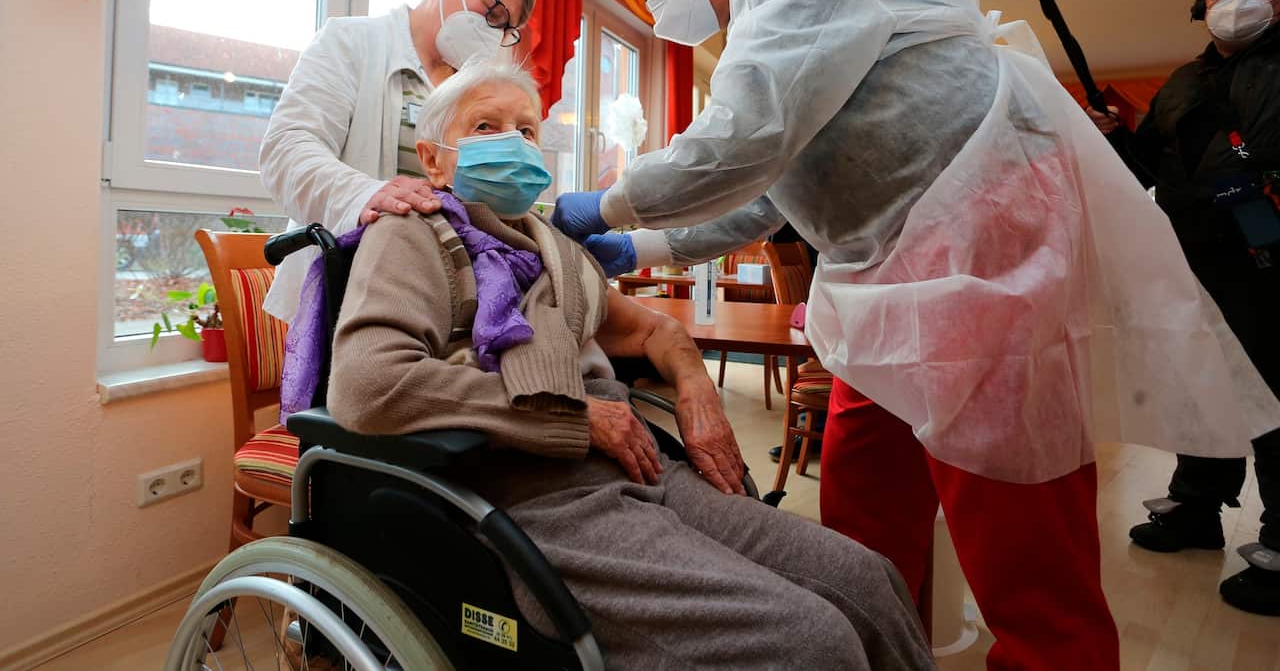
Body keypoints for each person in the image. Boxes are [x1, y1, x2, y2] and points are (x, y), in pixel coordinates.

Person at [551, 0, 1280, 669]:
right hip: (891, 289)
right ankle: (884, 649)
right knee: (863, 513)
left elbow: (747, 133)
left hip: (975, 253)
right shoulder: (776, 27)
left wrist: (610, 201)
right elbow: (770, 189)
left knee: (1019, 536)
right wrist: (640, 243)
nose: (662, 7)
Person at [323, 60, 936, 670]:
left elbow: (656, 331)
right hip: (535, 494)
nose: (514, 142)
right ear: (433, 158)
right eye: (486, 127)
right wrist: (578, 416)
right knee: (810, 641)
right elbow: (368, 382)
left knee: (868, 582)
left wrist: (698, 394)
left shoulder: (550, 247)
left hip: (640, 469)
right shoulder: (413, 235)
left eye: (528, 130)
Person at [1087, 0, 1280, 616]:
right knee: (1202, 383)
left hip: (1270, 263)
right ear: (1202, 3)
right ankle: (1197, 506)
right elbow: (1153, 164)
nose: (1240, 0)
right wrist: (1114, 136)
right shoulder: (1182, 81)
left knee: (1274, 395)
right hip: (1193, 259)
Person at [259, 0, 534, 323]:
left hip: (443, 297)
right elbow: (285, 150)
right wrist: (365, 194)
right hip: (356, 295)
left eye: (503, 27)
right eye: (489, 11)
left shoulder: (474, 90)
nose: (492, 33)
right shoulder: (352, 43)